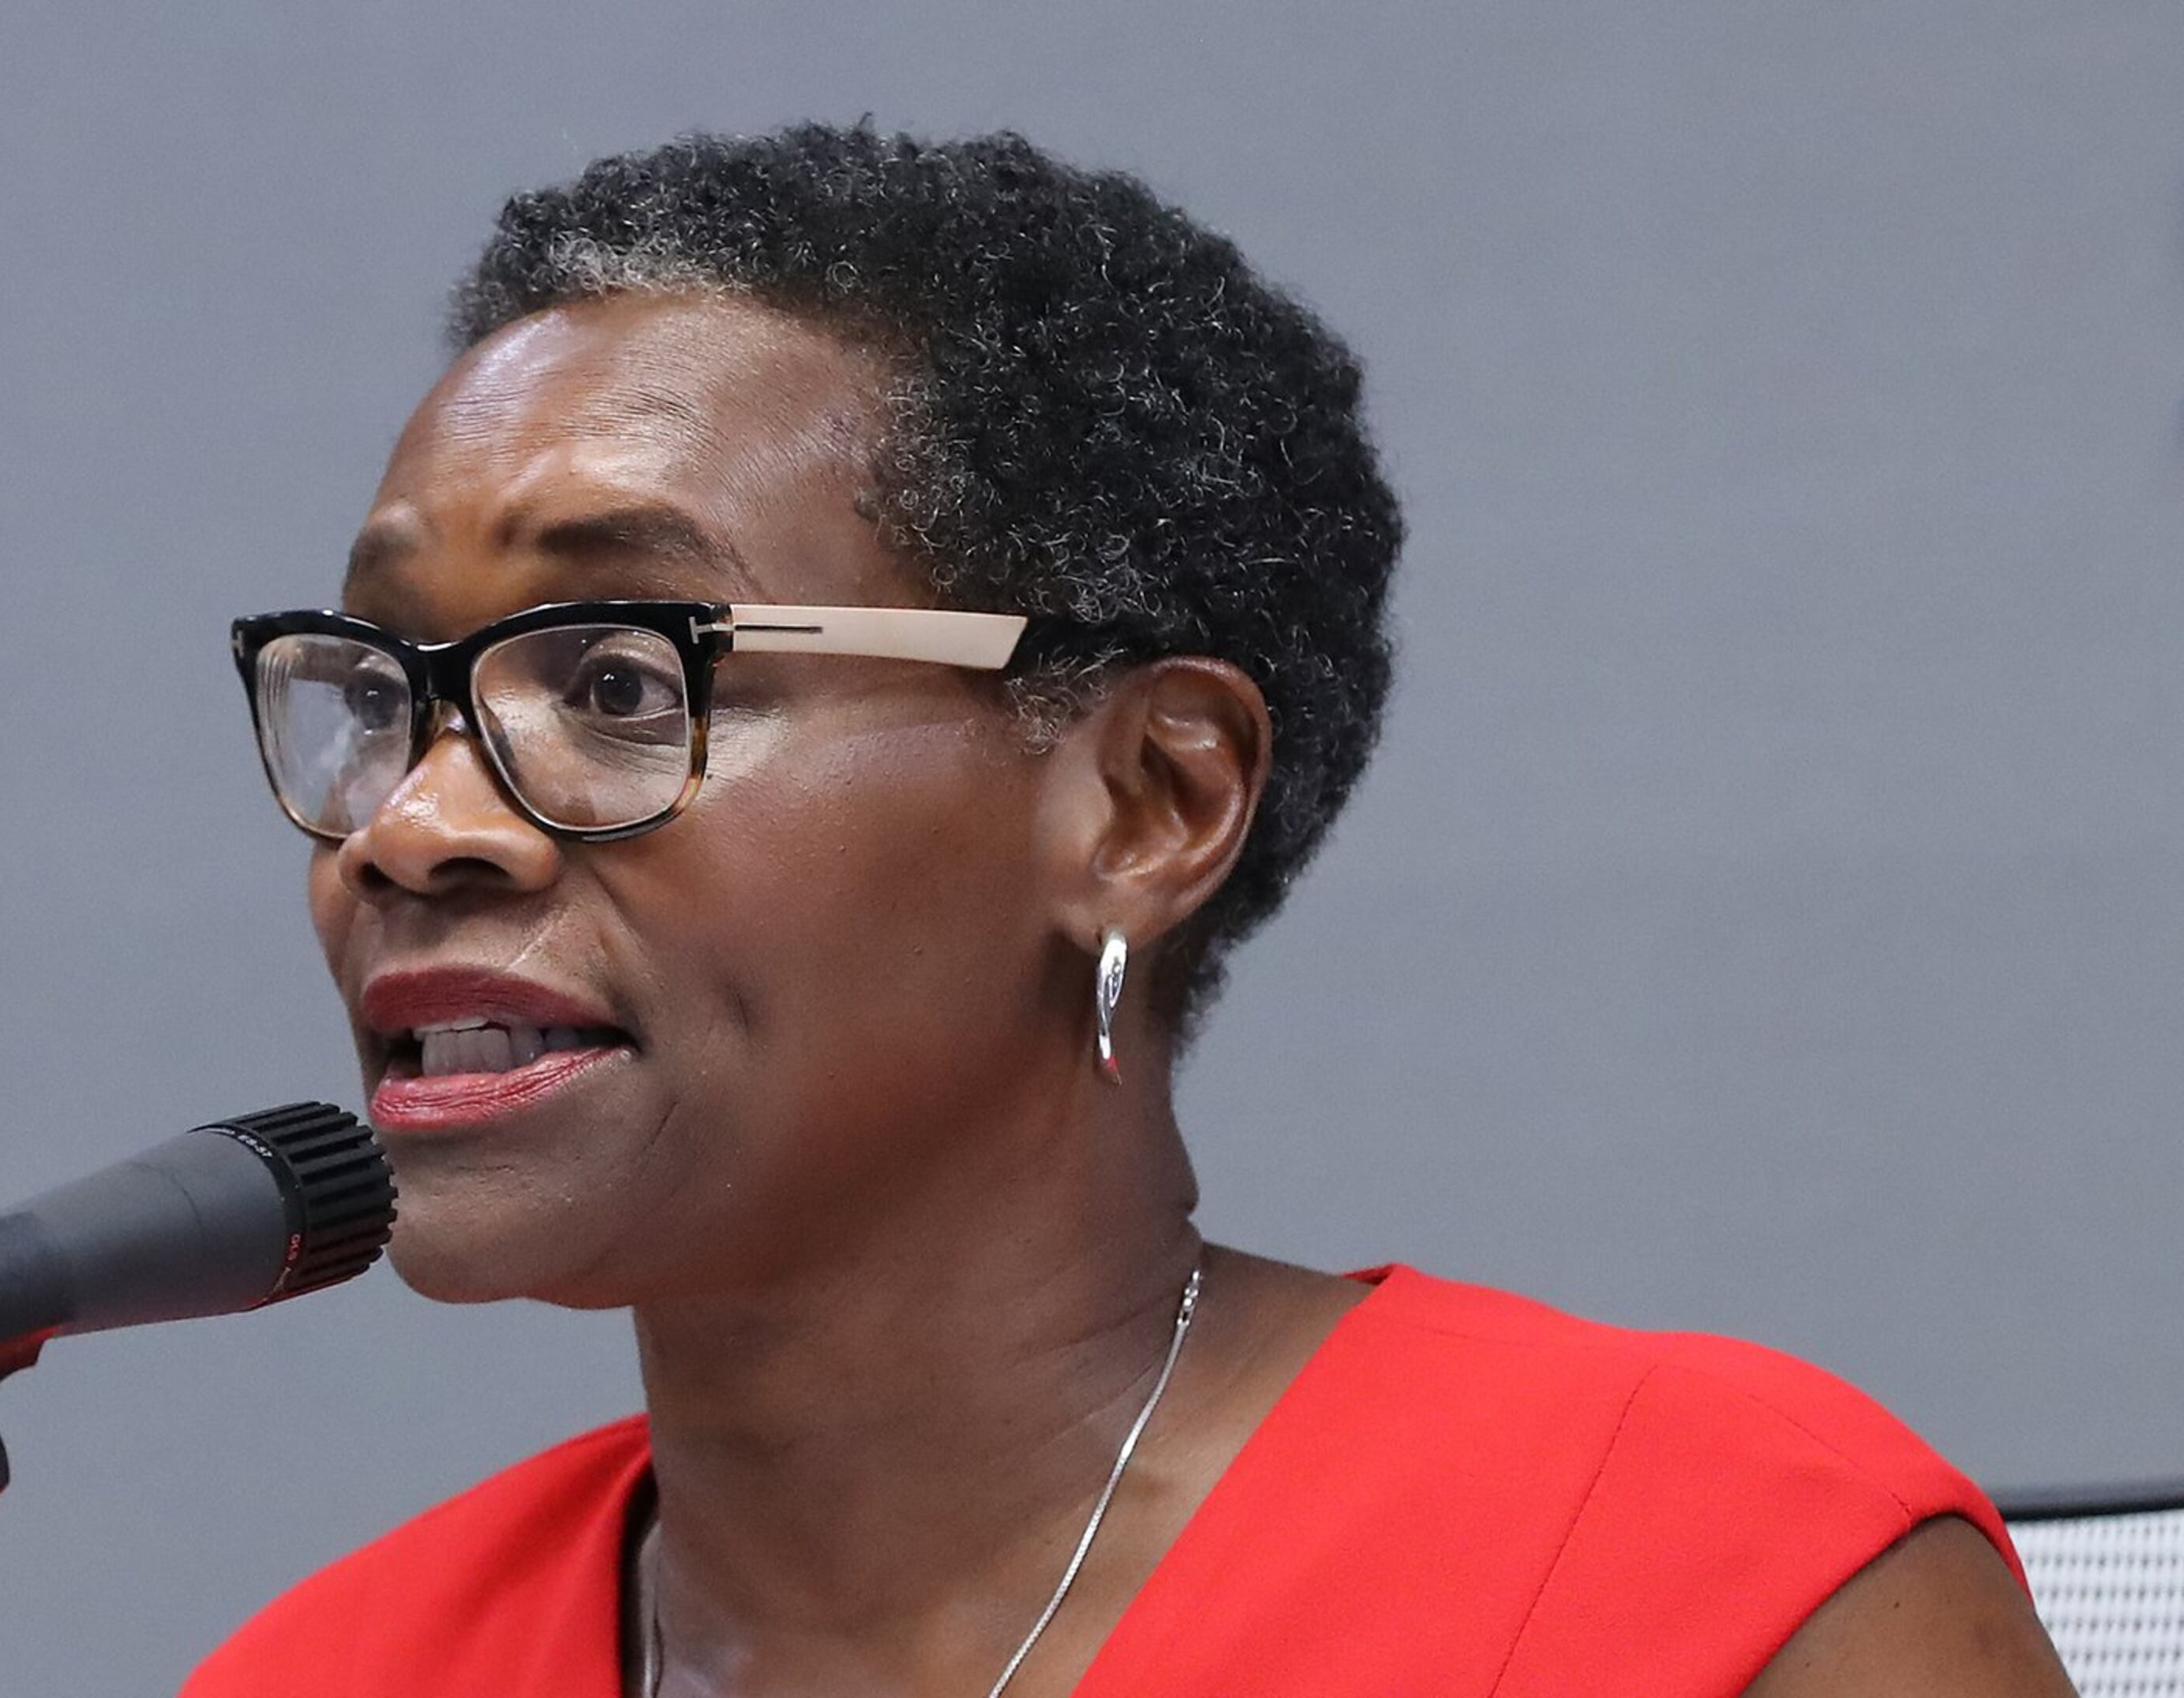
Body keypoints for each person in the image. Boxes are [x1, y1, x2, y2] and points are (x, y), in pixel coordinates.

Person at [186, 124, 2071, 1696]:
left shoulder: (1703, 1586)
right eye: (386, 694)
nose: (412, 828)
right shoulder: (327, 1671)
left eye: (618, 685)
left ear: (1150, 802)